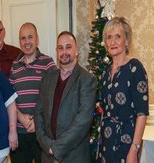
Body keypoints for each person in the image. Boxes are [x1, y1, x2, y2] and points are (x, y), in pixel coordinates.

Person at [35, 31, 97, 163]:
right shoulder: (47, 78)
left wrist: (57, 148)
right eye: (60, 48)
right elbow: (38, 113)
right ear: (56, 51)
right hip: (47, 155)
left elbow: (83, 120)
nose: (64, 52)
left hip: (74, 155)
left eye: (68, 47)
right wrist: (47, 145)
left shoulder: (87, 79)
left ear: (76, 51)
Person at [97, 17, 149, 163]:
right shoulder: (105, 72)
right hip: (106, 141)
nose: (112, 42)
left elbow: (142, 113)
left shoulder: (135, 68)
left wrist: (134, 148)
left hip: (127, 141)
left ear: (126, 41)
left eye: (117, 37)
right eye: (109, 37)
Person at [9, 22, 57, 163]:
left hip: (42, 133)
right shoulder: (14, 66)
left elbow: (54, 98)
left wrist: (37, 120)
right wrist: (20, 117)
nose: (27, 42)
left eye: (30, 37)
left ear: (37, 39)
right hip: (19, 134)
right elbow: (10, 99)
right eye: (23, 38)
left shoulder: (48, 63)